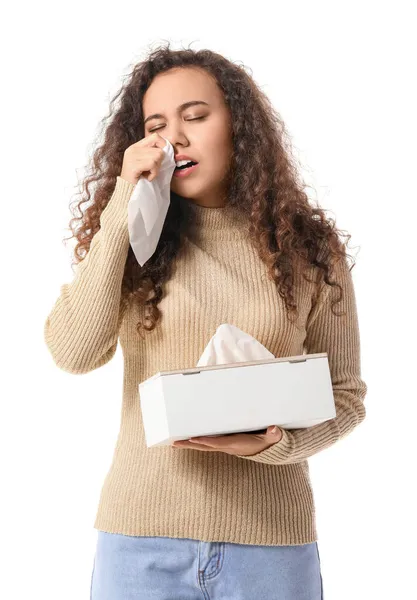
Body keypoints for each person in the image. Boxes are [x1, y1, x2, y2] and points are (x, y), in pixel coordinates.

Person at [44, 43, 367, 600]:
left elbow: (346, 395)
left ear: (238, 124)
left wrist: (270, 444)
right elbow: (74, 352)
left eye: (195, 116)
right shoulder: (138, 240)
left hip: (271, 541)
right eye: (156, 126)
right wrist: (123, 204)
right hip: (140, 538)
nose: (176, 138)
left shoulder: (310, 250)